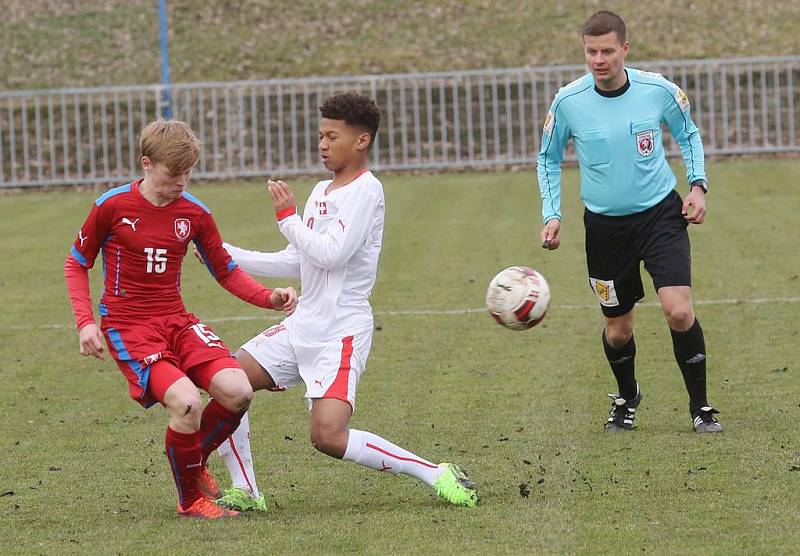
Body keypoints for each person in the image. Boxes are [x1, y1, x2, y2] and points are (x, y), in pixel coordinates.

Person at [204, 92, 478, 511]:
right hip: (302, 325)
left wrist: (287, 219)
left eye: (332, 136)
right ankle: (247, 491)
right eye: (320, 135)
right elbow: (299, 257)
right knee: (227, 383)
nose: (322, 144)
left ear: (362, 140)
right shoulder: (319, 191)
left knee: (327, 437)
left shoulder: (367, 191)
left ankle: (436, 473)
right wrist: (219, 251)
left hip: (340, 332)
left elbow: (333, 253)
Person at [64, 120, 298, 519]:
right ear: (147, 163)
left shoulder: (195, 213)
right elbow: (76, 262)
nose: (182, 181)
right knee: (187, 403)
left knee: (237, 390)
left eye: (189, 172)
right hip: (129, 326)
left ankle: (193, 463)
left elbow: (224, 270)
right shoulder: (112, 206)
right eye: (174, 173)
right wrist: (86, 322)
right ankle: (191, 499)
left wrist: (267, 297)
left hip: (176, 319)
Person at [537, 10, 723, 433]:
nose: (598, 59)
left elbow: (689, 133)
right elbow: (547, 158)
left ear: (625, 48)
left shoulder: (657, 90)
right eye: (590, 51)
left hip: (660, 215)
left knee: (678, 311)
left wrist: (698, 187)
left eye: (606, 50)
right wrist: (552, 214)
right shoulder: (568, 101)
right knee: (618, 331)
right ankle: (628, 396)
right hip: (604, 229)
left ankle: (700, 407)